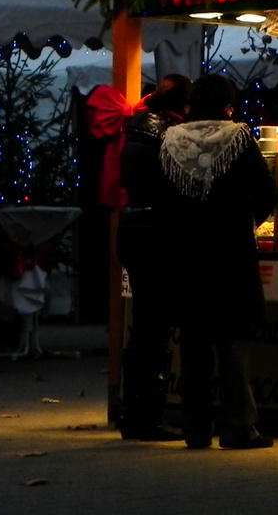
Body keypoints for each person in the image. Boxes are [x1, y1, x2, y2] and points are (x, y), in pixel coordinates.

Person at [155, 74, 276, 449]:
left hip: (187, 254)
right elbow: (267, 191)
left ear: (191, 104)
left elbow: (161, 197)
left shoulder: (171, 140)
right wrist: (246, 223)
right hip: (230, 253)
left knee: (193, 344)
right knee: (232, 342)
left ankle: (195, 430)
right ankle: (238, 429)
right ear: (227, 104)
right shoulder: (239, 137)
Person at [116, 74, 191, 441]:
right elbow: (183, 187)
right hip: (159, 232)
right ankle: (149, 416)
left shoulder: (135, 128)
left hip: (131, 227)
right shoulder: (172, 135)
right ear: (185, 107)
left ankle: (132, 413)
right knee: (157, 328)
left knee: (143, 325)